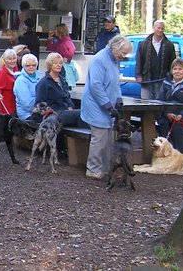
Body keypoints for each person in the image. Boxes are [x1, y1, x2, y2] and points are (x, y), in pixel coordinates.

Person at [81, 35, 134, 180]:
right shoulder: (99, 59)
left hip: (108, 105)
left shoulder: (115, 60)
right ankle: (92, 169)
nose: (124, 56)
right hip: (95, 105)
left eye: (125, 53)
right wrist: (108, 106)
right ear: (114, 48)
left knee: (109, 138)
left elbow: (115, 84)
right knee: (100, 138)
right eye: (122, 53)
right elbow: (96, 86)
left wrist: (118, 102)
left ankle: (105, 168)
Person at [156, 58, 183, 152]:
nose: (177, 71)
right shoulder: (166, 83)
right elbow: (160, 101)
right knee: (162, 125)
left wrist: (181, 115)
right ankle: (163, 153)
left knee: (177, 128)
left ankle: (180, 156)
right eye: (175, 69)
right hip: (167, 115)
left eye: (180, 69)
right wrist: (166, 113)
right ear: (171, 70)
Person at [34, 52, 80, 126]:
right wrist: (50, 115)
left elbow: (67, 97)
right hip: (54, 114)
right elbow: (40, 104)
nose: (58, 65)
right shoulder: (44, 83)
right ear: (50, 65)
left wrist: (70, 107)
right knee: (80, 114)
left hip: (65, 111)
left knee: (84, 112)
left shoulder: (62, 80)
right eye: (55, 63)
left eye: (60, 63)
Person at [135, 19, 175, 99]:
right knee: (145, 103)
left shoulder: (169, 45)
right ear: (154, 28)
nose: (160, 30)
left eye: (162, 28)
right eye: (158, 28)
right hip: (146, 79)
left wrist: (171, 76)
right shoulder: (143, 44)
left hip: (162, 80)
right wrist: (138, 75)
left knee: (160, 103)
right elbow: (139, 61)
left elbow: (172, 62)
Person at [46, 23, 77, 89]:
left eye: (55, 30)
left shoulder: (66, 40)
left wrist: (67, 59)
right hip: (60, 64)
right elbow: (50, 48)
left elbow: (72, 49)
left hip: (65, 66)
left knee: (64, 83)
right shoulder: (59, 41)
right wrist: (49, 38)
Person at [0, 49, 20, 116]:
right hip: (6, 107)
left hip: (16, 105)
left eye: (14, 58)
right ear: (5, 60)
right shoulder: (1, 73)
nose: (12, 61)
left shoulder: (16, 71)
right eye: (10, 59)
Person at [14, 53, 43, 120]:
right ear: (23, 66)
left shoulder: (39, 78)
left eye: (34, 65)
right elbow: (27, 105)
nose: (31, 67)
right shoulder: (20, 81)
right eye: (28, 65)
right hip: (27, 115)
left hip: (39, 111)